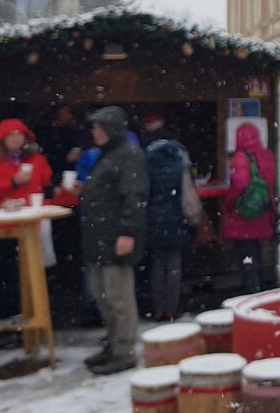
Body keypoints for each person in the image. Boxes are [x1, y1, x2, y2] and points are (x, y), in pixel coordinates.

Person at [79, 106, 146, 375]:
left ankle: (124, 350)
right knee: (102, 295)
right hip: (99, 238)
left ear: (111, 128)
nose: (94, 132)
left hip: (115, 237)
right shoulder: (107, 155)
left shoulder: (129, 155)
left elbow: (134, 197)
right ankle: (113, 343)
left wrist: (127, 233)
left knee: (119, 297)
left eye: (98, 127)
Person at [0, 118, 54, 348]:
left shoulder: (38, 160)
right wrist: (11, 181)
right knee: (1, 279)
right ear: (2, 139)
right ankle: (3, 329)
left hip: (31, 228)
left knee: (32, 278)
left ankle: (30, 326)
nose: (17, 139)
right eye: (12, 135)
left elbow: (48, 186)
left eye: (20, 135)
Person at [222, 123, 276, 294]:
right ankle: (259, 290)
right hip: (261, 211)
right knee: (257, 253)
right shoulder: (267, 156)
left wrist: (229, 202)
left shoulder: (240, 157)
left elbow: (239, 183)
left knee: (246, 255)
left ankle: (251, 291)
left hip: (244, 215)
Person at [144, 137, 192, 321]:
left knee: (157, 264)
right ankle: (172, 308)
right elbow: (187, 196)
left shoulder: (147, 166)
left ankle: (159, 309)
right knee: (174, 264)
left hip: (154, 219)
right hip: (175, 216)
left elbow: (145, 193)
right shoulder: (179, 166)